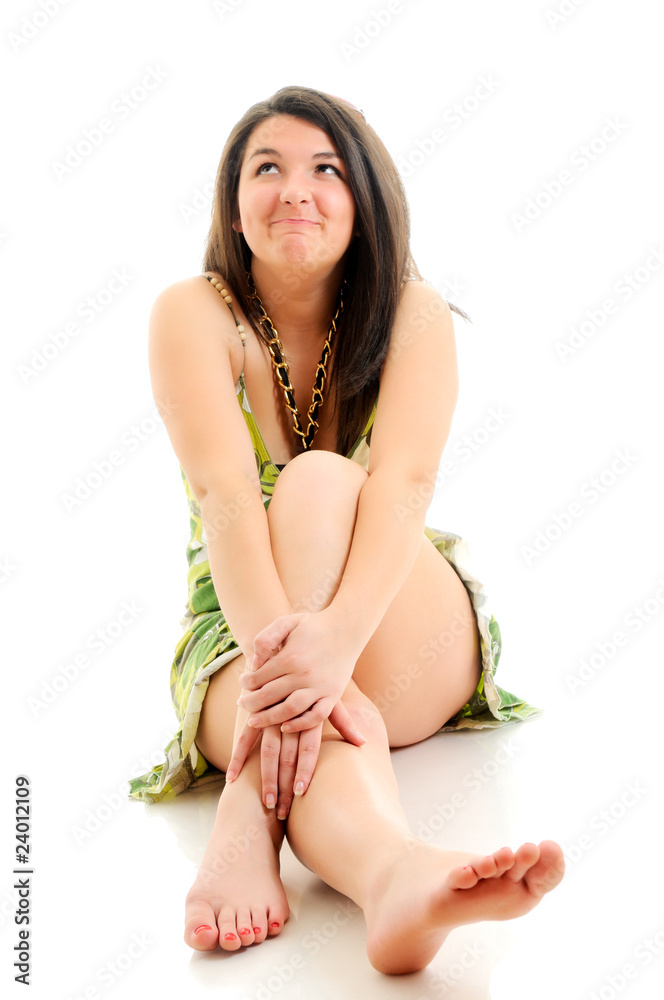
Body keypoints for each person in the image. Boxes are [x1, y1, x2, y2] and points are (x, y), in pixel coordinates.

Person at [129, 85, 564, 975]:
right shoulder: (192, 315)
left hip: (399, 618)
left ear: (363, 201)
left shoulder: (412, 313)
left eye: (326, 169)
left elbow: (404, 488)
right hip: (236, 635)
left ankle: (250, 808)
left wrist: (336, 645)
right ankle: (394, 876)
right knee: (296, 688)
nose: (296, 189)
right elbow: (223, 499)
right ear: (234, 206)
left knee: (323, 483)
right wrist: (301, 669)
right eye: (268, 168)